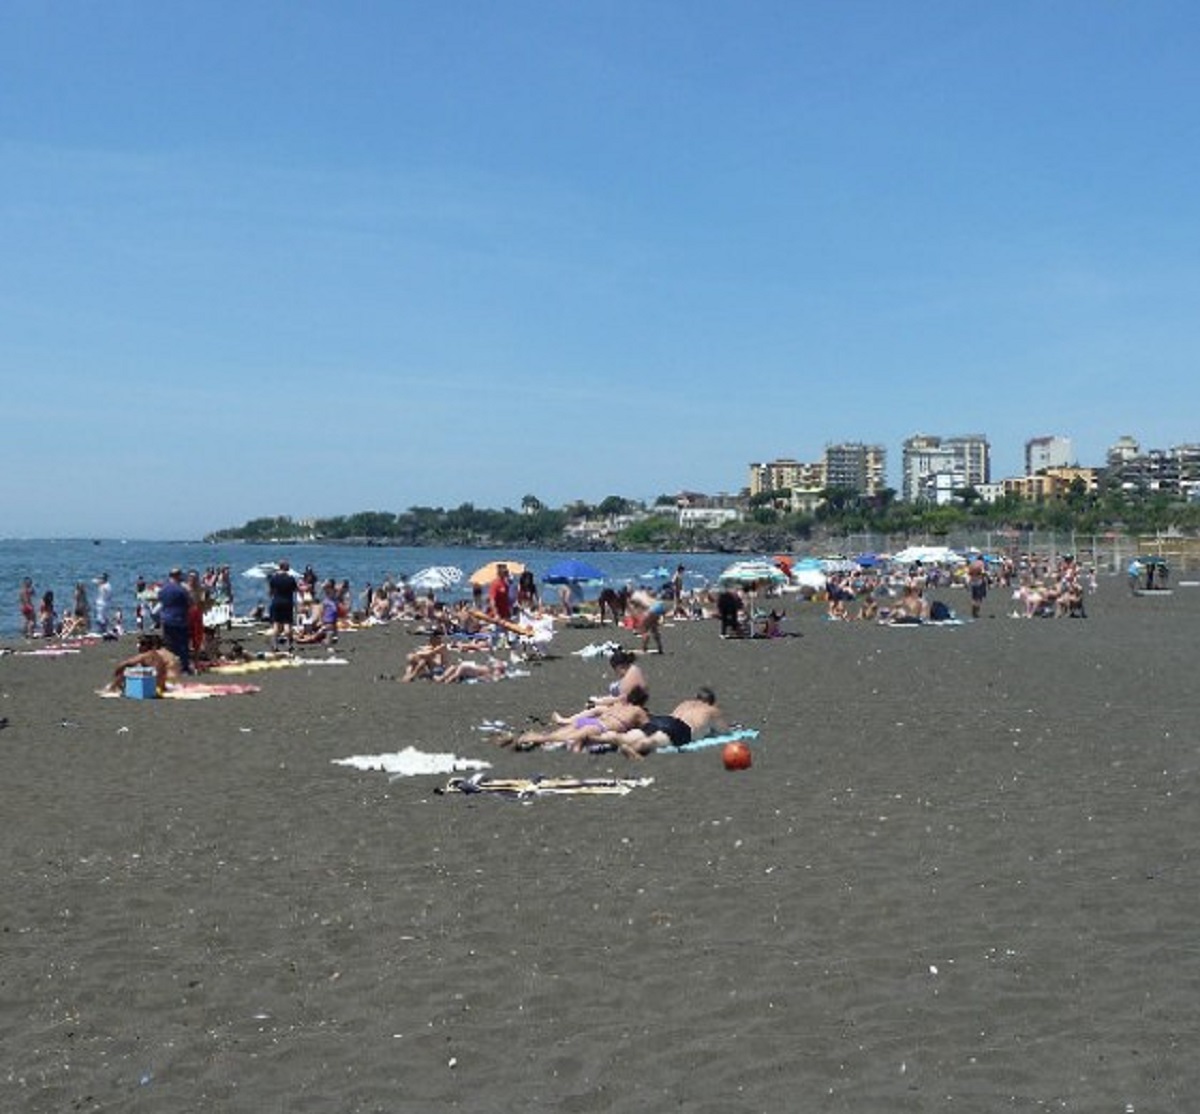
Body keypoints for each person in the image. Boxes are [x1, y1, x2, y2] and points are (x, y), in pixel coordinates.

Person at [502, 686, 650, 752]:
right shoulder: (638, 711)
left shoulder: (619, 704)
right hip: (599, 726)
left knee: (555, 736)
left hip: (591, 722)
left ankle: (527, 738)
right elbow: (649, 727)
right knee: (559, 739)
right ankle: (529, 739)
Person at [600, 686, 731, 758]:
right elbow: (724, 731)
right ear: (711, 702)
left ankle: (606, 740)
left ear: (696, 698)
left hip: (663, 719)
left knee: (634, 735)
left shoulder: (686, 703)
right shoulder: (711, 709)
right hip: (680, 730)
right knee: (652, 741)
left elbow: (671, 719)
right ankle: (633, 746)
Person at [105, 634, 182, 695]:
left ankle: (112, 689)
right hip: (168, 684)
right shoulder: (161, 655)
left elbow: (124, 664)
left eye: (141, 644)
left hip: (159, 685)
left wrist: (116, 674)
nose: (138, 647)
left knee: (125, 673)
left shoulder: (146, 655)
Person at [157, 567, 193, 673]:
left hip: (166, 619)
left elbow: (160, 600)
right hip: (180, 619)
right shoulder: (182, 590)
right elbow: (190, 603)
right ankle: (184, 667)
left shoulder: (163, 589)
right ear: (178, 576)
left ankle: (170, 666)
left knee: (169, 644)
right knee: (182, 644)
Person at [267, 559, 299, 650]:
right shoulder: (290, 578)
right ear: (285, 567)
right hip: (287, 602)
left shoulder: (274, 578)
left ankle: (275, 644)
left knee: (276, 624)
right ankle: (289, 644)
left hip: (277, 601)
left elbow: (270, 592)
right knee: (287, 624)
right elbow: (295, 590)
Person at [628, 587, 665, 654]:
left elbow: (638, 609)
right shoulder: (641, 593)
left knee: (644, 629)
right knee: (654, 628)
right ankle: (660, 648)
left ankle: (644, 649)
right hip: (659, 606)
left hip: (652, 608)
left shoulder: (633, 598)